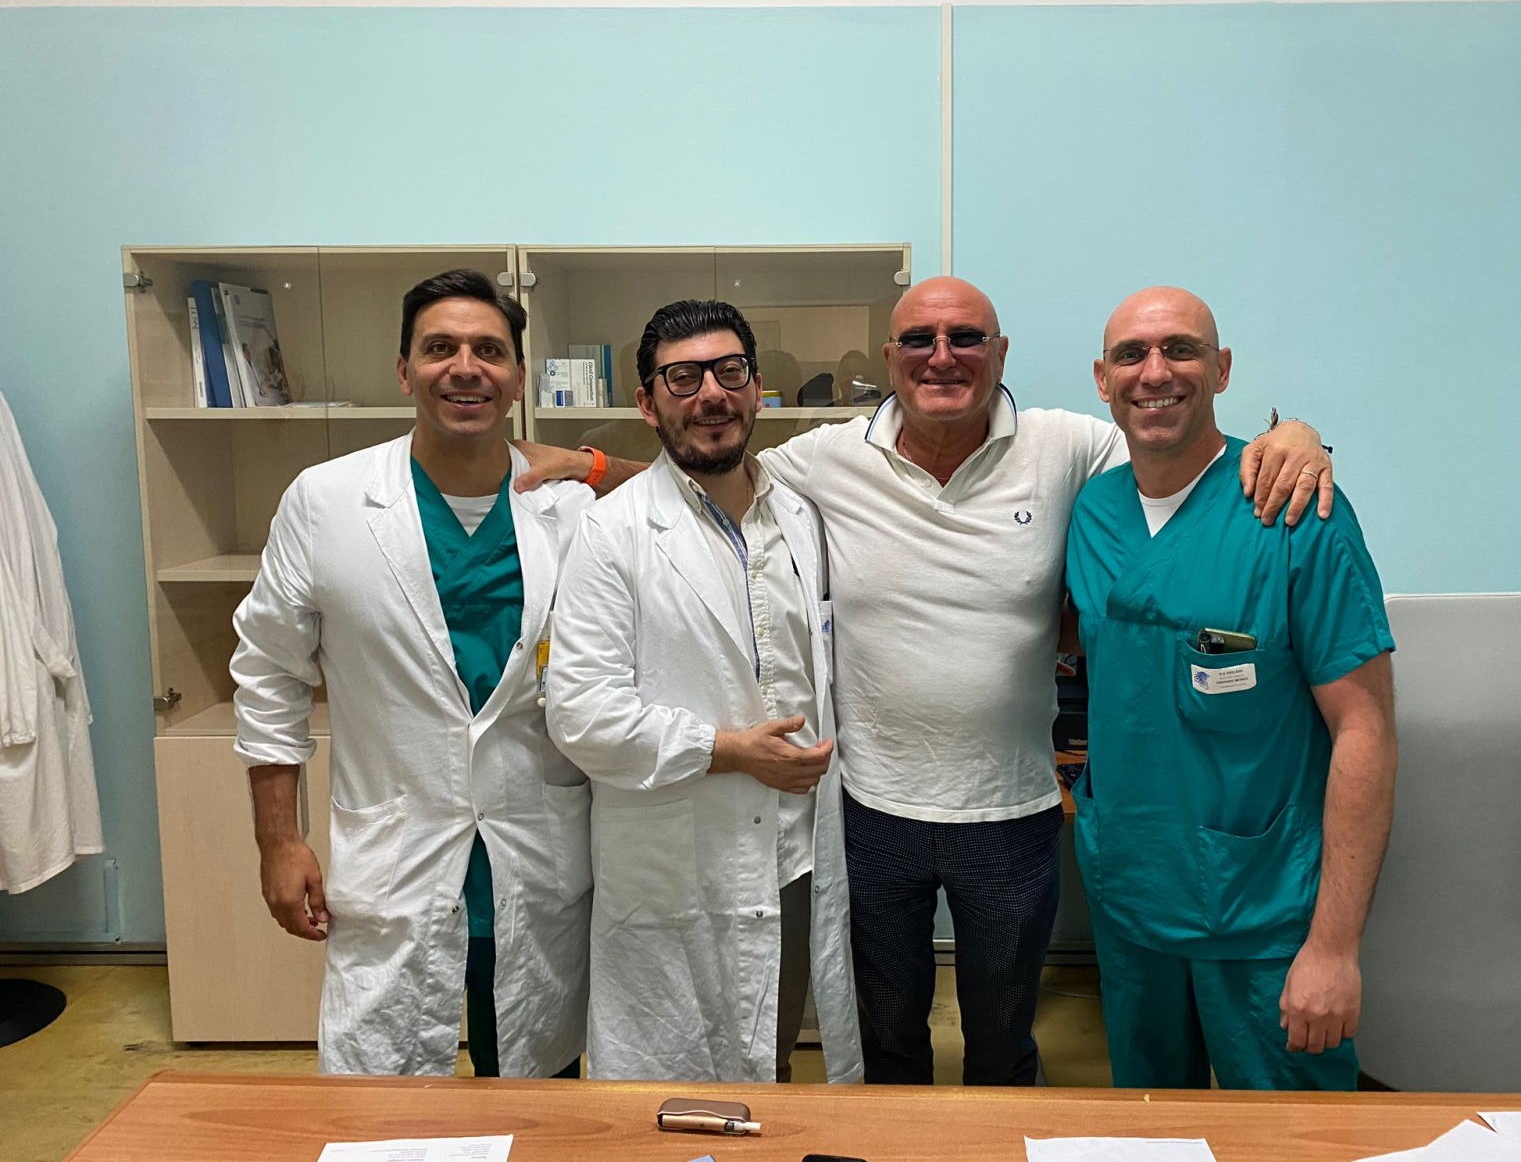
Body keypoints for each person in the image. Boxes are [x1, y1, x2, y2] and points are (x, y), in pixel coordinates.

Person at [514, 276, 1333, 1086]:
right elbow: (708, 473)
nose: (942, 356)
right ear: (890, 357)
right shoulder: (828, 459)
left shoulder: (1068, 447)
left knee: (1004, 1045)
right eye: (919, 340)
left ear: (999, 352)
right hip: (871, 812)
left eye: (966, 338)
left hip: (1010, 811)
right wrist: (590, 464)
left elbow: (1184, 448)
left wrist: (1296, 436)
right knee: (889, 1043)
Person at [231, 269, 594, 1077]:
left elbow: (698, 480)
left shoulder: (571, 510)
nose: (465, 368)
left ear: (519, 377)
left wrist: (592, 464)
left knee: (540, 1085)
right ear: (404, 370)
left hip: (535, 851)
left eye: (489, 351)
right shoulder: (326, 501)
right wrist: (278, 840)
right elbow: (269, 674)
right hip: (396, 854)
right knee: (382, 1095)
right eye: (439, 349)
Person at [1065, 286, 1398, 1090]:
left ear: (1221, 370)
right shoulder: (1092, 513)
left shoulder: (1297, 510)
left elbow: (1365, 731)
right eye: (1131, 355)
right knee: (1153, 1131)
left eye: (1180, 349)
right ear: (1103, 381)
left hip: (1263, 912)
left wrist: (1334, 948)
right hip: (1132, 897)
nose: (1155, 373)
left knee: (1296, 1138)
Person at [545, 299, 860, 1083]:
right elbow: (580, 713)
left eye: (729, 371)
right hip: (672, 860)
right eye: (683, 378)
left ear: (756, 390)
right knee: (662, 1077)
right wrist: (731, 752)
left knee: (771, 1061)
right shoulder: (611, 532)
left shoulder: (803, 518)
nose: (711, 394)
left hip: (791, 854)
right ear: (648, 403)